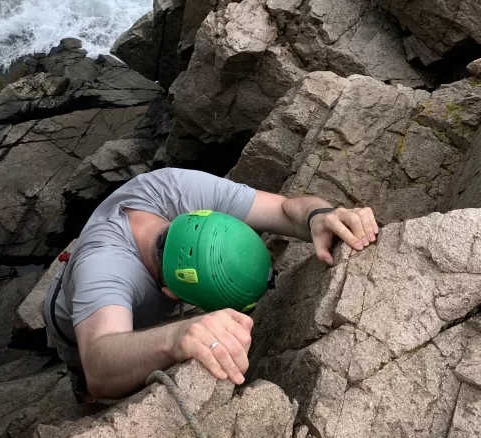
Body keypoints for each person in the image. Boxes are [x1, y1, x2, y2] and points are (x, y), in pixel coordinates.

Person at [43, 168, 378, 400]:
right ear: (174, 295)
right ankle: (78, 395)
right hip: (72, 322)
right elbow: (99, 364)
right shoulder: (104, 269)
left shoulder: (180, 189)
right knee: (81, 369)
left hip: (109, 277)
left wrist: (320, 214)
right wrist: (176, 336)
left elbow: (284, 208)